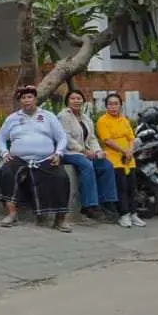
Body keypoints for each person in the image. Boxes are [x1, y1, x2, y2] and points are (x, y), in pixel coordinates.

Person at [0, 85, 72, 232]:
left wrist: (58, 153)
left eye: (29, 97)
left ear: (36, 99)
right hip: (19, 159)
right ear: (20, 101)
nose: (26, 100)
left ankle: (60, 219)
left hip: (45, 158)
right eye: (23, 98)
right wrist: (4, 152)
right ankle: (12, 214)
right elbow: (0, 137)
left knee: (61, 177)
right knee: (6, 172)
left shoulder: (48, 116)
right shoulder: (13, 118)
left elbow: (62, 137)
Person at [58, 89, 120, 223]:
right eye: (73, 98)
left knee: (106, 165)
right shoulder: (63, 116)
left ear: (83, 101)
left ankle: (107, 202)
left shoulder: (86, 118)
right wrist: (83, 151)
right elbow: (66, 139)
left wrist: (98, 152)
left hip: (85, 153)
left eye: (79, 98)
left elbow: (92, 138)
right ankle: (89, 205)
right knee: (87, 165)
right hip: (68, 152)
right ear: (67, 101)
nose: (76, 101)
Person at [97, 93, 142, 228]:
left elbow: (131, 138)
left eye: (116, 104)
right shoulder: (102, 121)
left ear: (120, 106)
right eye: (110, 104)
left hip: (129, 158)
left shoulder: (124, 120)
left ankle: (133, 214)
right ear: (106, 106)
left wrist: (130, 151)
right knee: (121, 187)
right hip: (114, 158)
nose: (113, 107)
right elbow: (107, 140)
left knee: (132, 187)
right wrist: (124, 151)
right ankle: (124, 215)